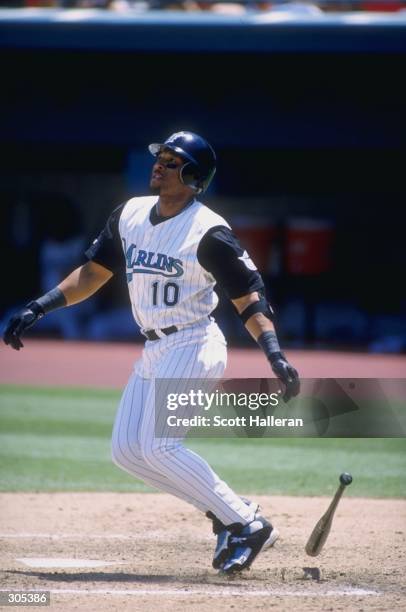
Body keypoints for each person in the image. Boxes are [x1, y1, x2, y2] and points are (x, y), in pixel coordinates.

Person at [3, 130, 300, 575]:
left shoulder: (209, 231)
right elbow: (93, 273)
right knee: (127, 451)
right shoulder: (130, 214)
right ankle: (229, 513)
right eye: (159, 157)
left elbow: (249, 299)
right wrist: (39, 306)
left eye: (170, 159)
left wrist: (274, 354)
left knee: (159, 446)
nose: (158, 165)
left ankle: (246, 523)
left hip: (194, 343)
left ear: (194, 175)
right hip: (155, 348)